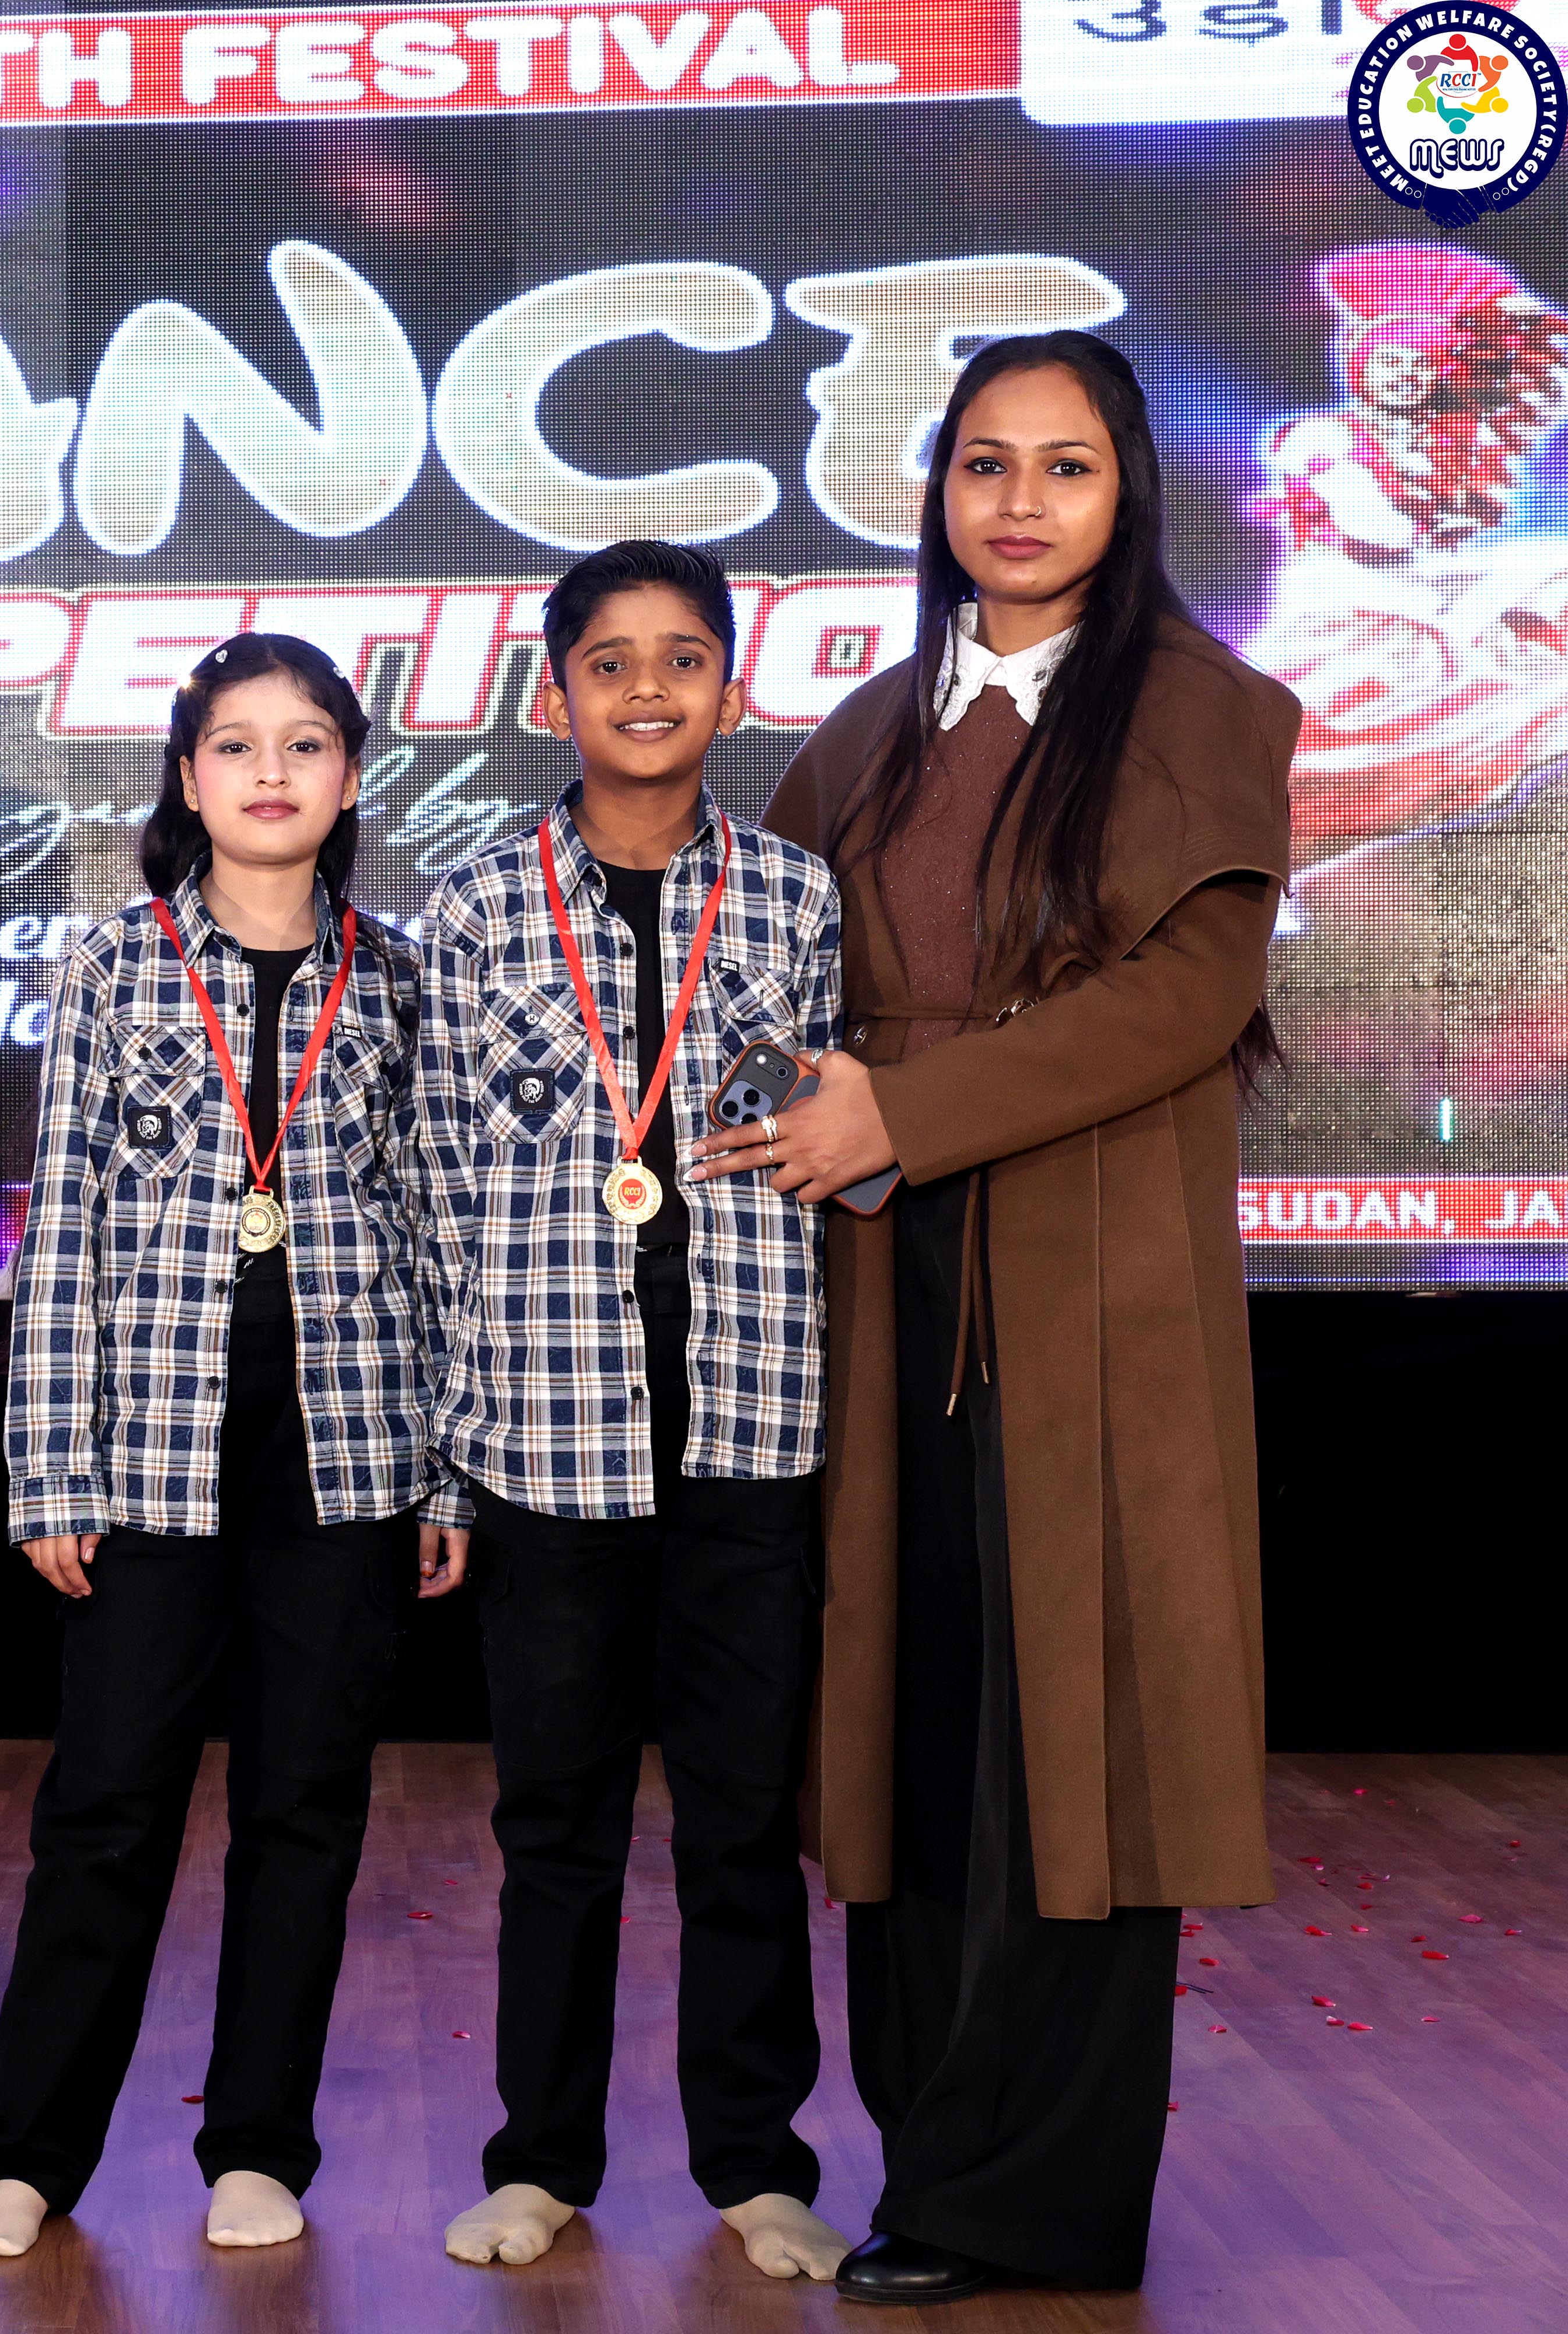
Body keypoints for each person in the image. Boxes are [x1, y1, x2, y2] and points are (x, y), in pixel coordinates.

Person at [711, 331, 1295, 2305]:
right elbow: (768, 983)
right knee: (913, 1724)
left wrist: (910, 1108)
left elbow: (1184, 997)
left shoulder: (1206, 710)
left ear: (1128, 490)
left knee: (1075, 1736)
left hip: (1094, 1283)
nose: (1020, 502)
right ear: (938, 489)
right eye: (985, 462)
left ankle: (1033, 2200)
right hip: (885, 1284)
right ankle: (931, 2165)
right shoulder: (870, 731)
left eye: (1065, 464)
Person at [0, 634, 443, 2262]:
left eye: (306, 744)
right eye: (237, 744)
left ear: (350, 777)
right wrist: (48, 1470)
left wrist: (445, 1470)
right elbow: (64, 1230)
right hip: (151, 1454)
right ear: (188, 778)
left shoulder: (401, 980)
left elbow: (433, 1233)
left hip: (346, 1454)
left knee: (305, 1807)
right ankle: (31, 2157)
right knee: (106, 1805)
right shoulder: (114, 966)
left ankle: (257, 2148)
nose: (272, 772)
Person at [411, 541, 850, 2283]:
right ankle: (541, 2160)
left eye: (681, 659)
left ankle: (755, 2160)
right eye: (609, 661)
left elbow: (839, 1144)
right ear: (554, 695)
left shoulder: (799, 898)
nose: (646, 687)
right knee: (556, 1824)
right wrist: (446, 1459)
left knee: (740, 1816)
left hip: (748, 1419)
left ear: (731, 693)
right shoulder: (472, 906)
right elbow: (437, 1190)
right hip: (546, 1436)